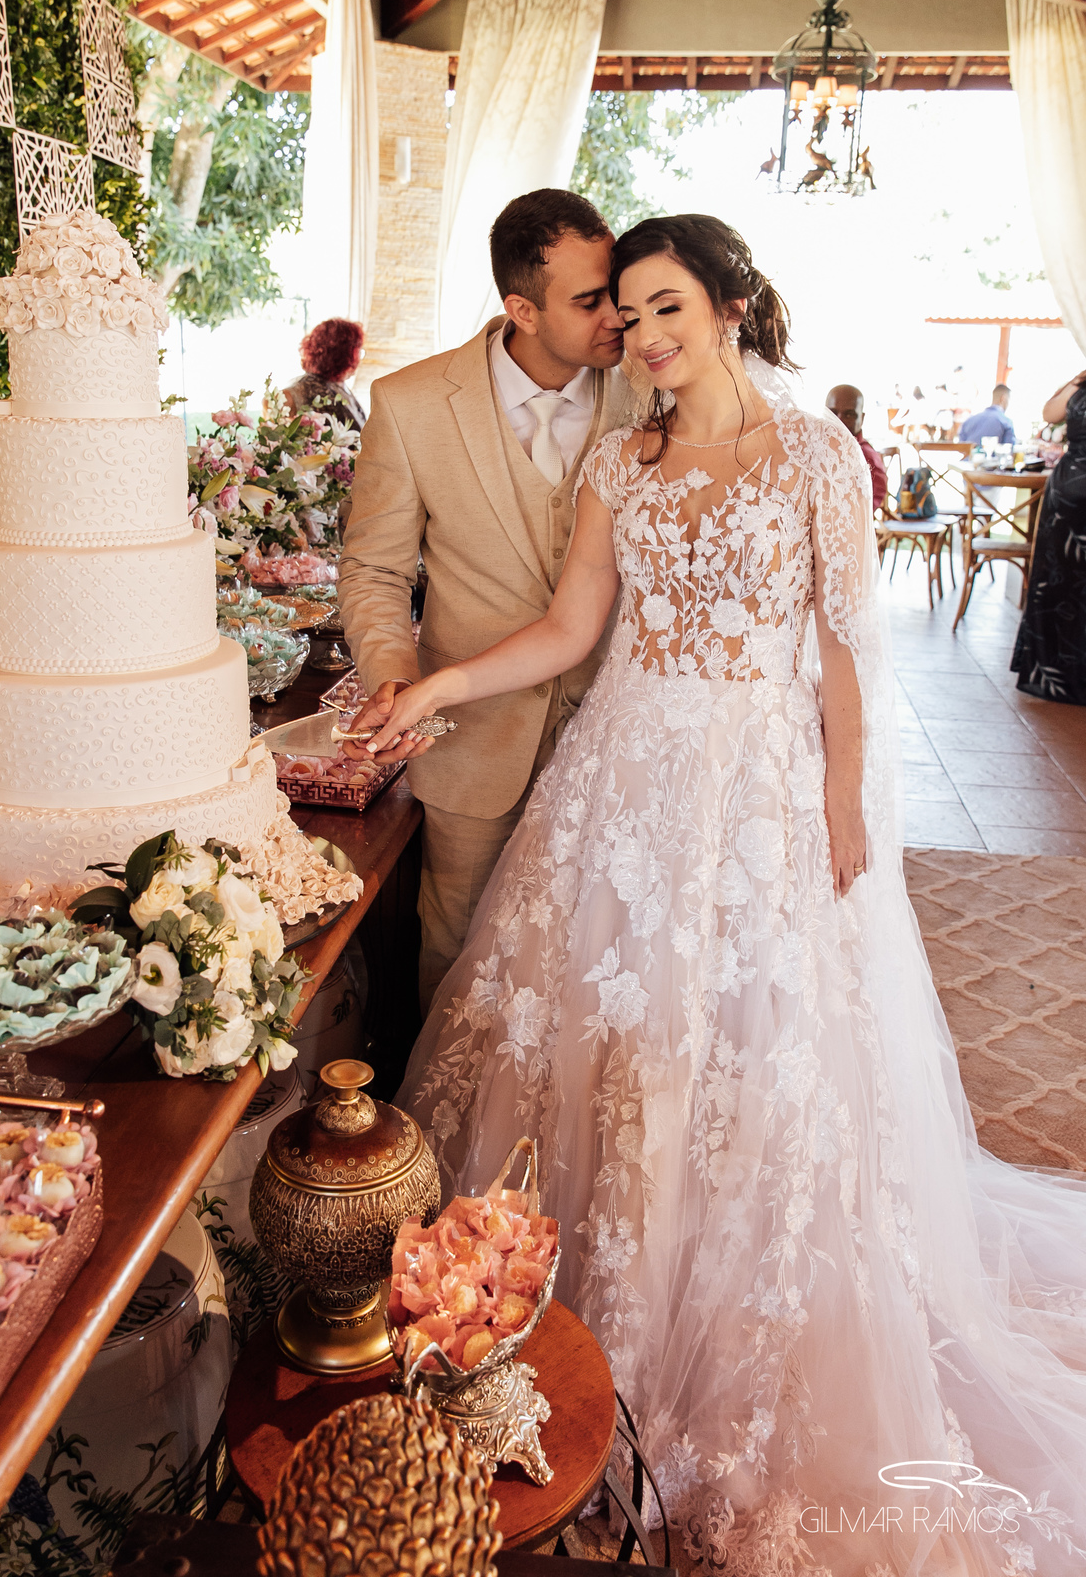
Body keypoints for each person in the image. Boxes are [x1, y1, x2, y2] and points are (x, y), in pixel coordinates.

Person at [374, 215, 1086, 1574]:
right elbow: (575, 628)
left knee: (756, 1058)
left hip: (755, 796)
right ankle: (559, 1326)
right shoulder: (620, 459)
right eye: (625, 319)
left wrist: (840, 806)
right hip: (622, 780)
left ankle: (724, 1322)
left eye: (665, 312)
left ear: (733, 306)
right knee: (602, 1045)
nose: (639, 341)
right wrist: (442, 685)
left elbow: (846, 652)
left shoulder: (817, 452)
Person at [337, 190, 632, 1013]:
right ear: (521, 308)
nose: (618, 315)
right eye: (590, 300)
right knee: (459, 957)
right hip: (472, 744)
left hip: (618, 734)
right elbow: (374, 571)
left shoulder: (650, 393)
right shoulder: (411, 404)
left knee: (601, 957)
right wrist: (394, 676)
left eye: (616, 290)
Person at [1011, 368, 1086, 705]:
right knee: (1056, 584)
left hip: (1071, 489)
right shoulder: (1082, 383)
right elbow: (1049, 413)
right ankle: (1054, 673)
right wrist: (1076, 379)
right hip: (1067, 499)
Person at [284, 316, 367, 432]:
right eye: (358, 351)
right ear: (345, 354)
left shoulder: (338, 385)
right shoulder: (305, 389)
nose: (359, 358)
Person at [825, 382, 888, 511]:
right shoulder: (812, 447)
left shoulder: (865, 456)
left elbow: (865, 509)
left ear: (862, 418)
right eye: (832, 413)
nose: (839, 420)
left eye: (849, 414)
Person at [961, 382, 1017, 447]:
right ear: (1003, 398)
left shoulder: (968, 421)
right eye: (1008, 400)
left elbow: (961, 448)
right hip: (994, 456)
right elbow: (1009, 450)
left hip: (969, 456)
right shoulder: (1006, 422)